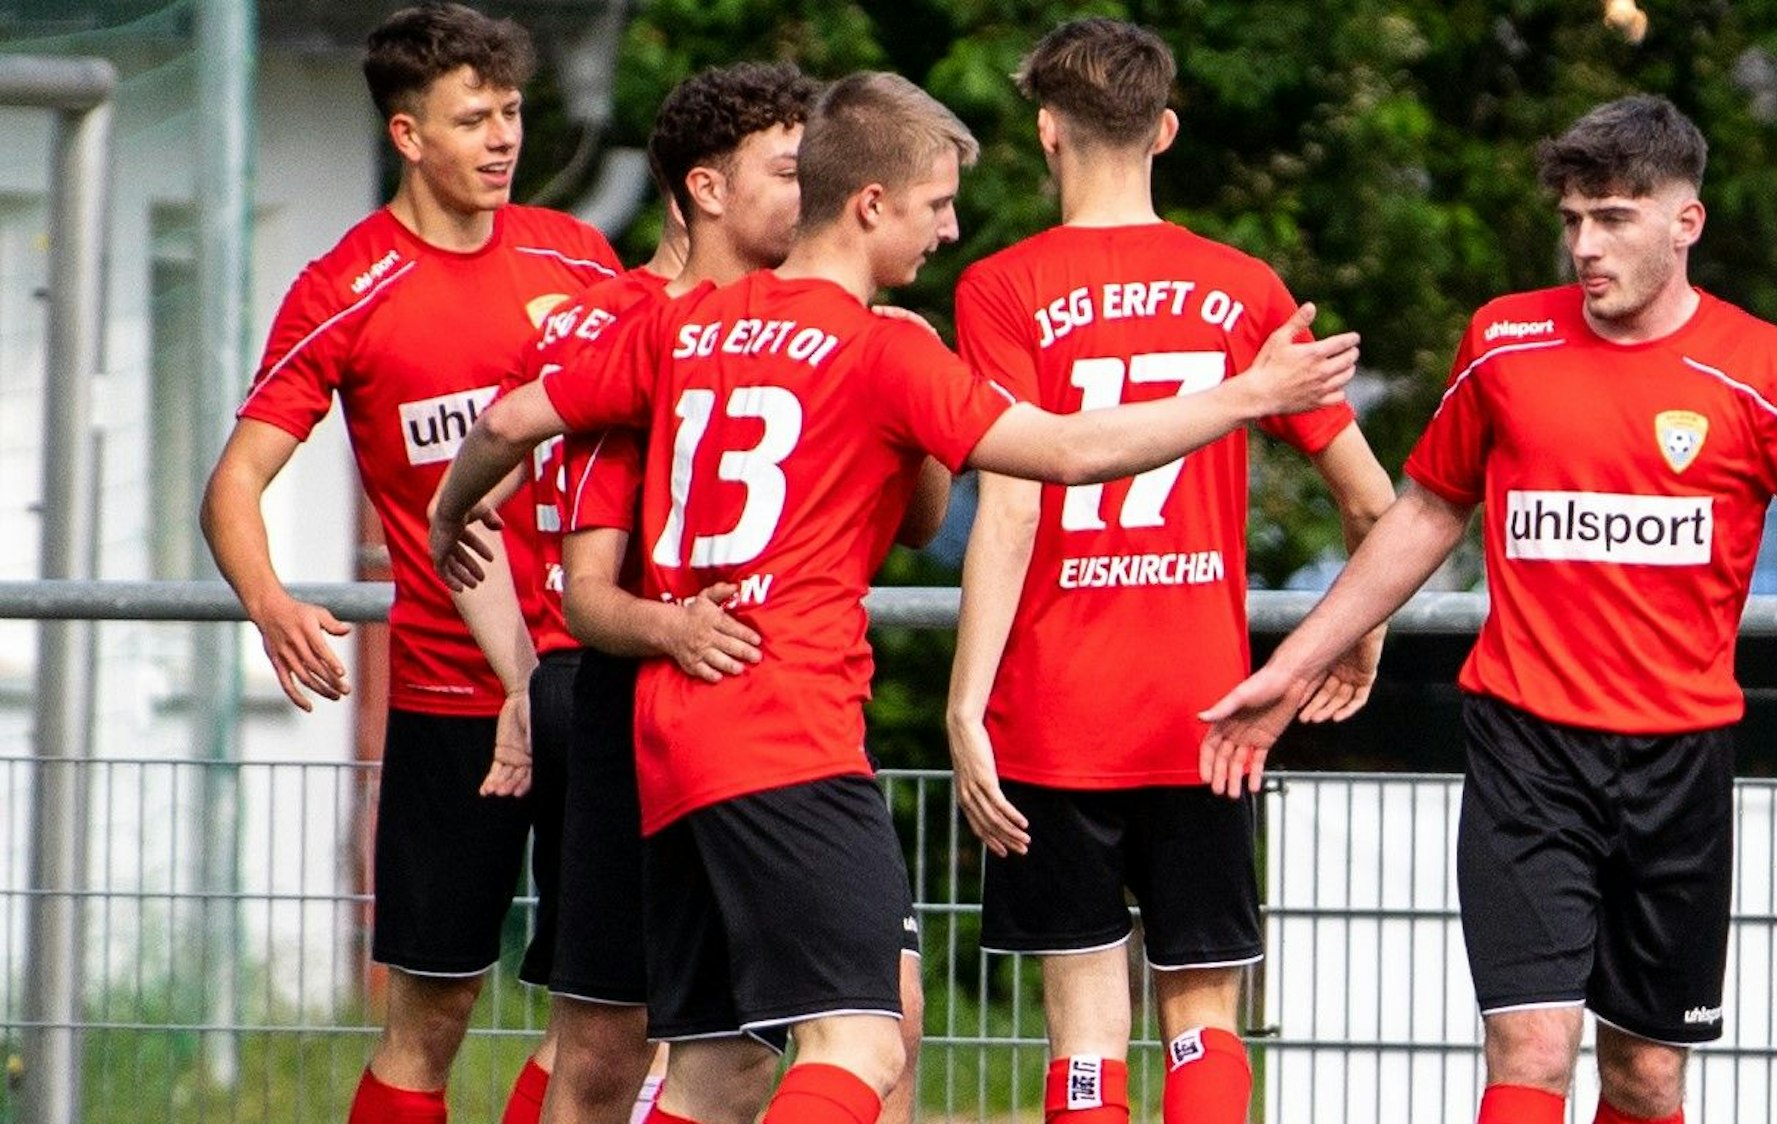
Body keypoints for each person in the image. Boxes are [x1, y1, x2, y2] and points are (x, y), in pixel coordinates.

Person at [427, 70, 1361, 1124]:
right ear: (870, 204)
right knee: (864, 1041)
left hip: (666, 737)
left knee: (715, 1070)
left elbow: (509, 425)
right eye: (935, 206)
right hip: (788, 730)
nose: (951, 229)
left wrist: (448, 512)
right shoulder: (882, 353)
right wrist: (1250, 393)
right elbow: (1062, 450)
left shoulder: (685, 328)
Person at [1198, 94, 1777, 1124]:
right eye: (1572, 219)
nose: (1584, 245)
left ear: (1683, 222)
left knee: (1646, 1075)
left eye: (1611, 217)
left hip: (1677, 761)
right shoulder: (1504, 339)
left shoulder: (1759, 364)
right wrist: (1294, 664)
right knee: (1531, 1039)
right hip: (1527, 749)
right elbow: (1428, 507)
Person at [943, 19, 1397, 1124]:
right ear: (1167, 129)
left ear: (1046, 130)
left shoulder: (1000, 289)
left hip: (1054, 706)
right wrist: (1351, 637)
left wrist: (965, 702)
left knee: (1086, 1032)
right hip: (1205, 706)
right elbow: (1375, 500)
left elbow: (1008, 500)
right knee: (1201, 1014)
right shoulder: (1240, 287)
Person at [197, 6, 622, 1121]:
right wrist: (271, 600)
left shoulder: (575, 254)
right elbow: (233, 483)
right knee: (432, 1017)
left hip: (586, 681)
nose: (501, 139)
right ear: (407, 132)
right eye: (471, 117)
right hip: (452, 705)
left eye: (513, 113)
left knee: (611, 1017)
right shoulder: (346, 288)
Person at [483, 62, 924, 1124]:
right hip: (631, 701)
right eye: (785, 167)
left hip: (777, 704)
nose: (805, 187)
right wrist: (667, 626)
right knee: (602, 1042)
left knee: (876, 1016)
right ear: (707, 188)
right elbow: (571, 573)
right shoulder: (626, 327)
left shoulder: (835, 328)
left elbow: (905, 522)